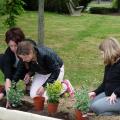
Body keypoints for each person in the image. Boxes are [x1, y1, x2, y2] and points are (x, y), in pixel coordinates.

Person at [88, 37, 120, 115]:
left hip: (117, 97)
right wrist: (95, 92)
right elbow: (105, 84)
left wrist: (116, 93)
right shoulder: (109, 65)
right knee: (89, 105)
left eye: (102, 53)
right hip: (108, 95)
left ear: (108, 52)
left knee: (95, 107)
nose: (101, 56)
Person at [0, 27, 29, 108]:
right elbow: (8, 76)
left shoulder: (26, 49)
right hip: (16, 72)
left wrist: (4, 92)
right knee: (2, 58)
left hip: (27, 72)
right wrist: (8, 95)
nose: (13, 48)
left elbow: (20, 70)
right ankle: (11, 90)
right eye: (11, 46)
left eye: (16, 45)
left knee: (34, 92)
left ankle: (29, 83)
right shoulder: (9, 53)